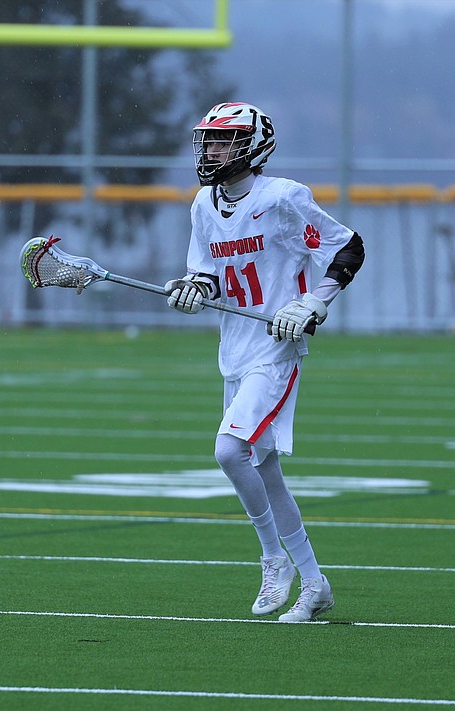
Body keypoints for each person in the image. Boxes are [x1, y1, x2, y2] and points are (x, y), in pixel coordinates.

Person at [164, 102, 365, 622]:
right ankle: (315, 583)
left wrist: (314, 301)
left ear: (252, 146)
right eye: (208, 140)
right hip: (233, 348)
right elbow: (208, 273)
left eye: (224, 141)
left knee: (230, 451)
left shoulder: (283, 198)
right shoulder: (204, 205)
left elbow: (348, 248)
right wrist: (193, 290)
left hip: (276, 349)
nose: (212, 150)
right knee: (265, 469)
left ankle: (272, 557)